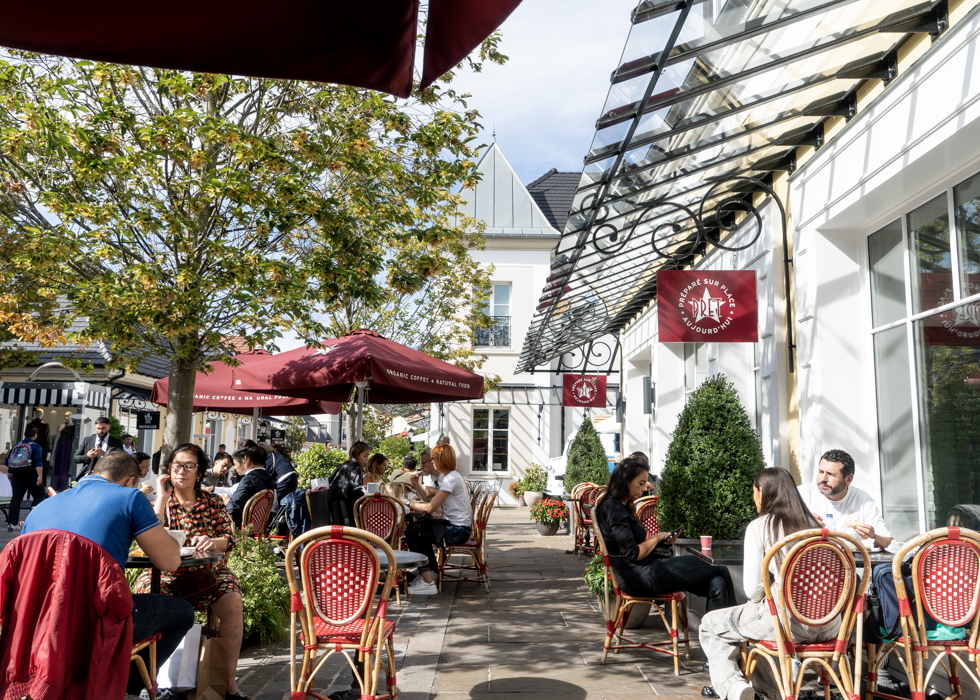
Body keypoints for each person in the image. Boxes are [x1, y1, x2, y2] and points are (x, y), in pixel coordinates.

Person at [21, 450, 194, 700]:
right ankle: (128, 689)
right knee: (182, 613)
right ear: (130, 481)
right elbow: (169, 561)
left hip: (37, 622)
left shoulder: (42, 507)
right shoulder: (129, 497)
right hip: (95, 622)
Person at [699, 467, 830, 700]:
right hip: (831, 624)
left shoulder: (761, 526)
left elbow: (752, 590)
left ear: (762, 492)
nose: (753, 497)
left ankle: (733, 687)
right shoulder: (816, 526)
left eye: (754, 491)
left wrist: (766, 590)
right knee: (755, 625)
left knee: (712, 624)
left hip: (789, 622)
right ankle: (771, 691)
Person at [137, 443, 248, 700]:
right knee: (148, 595)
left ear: (199, 473)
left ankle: (230, 685)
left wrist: (213, 541)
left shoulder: (212, 502)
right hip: (167, 574)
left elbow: (229, 539)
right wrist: (162, 500)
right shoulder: (159, 503)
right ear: (169, 471)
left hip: (209, 573)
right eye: (177, 466)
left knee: (232, 599)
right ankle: (153, 681)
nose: (182, 471)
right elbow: (147, 539)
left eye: (189, 466)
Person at [595, 457, 735, 610]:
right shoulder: (614, 508)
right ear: (625, 480)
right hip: (640, 577)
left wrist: (663, 542)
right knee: (718, 566)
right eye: (641, 483)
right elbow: (633, 553)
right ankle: (735, 623)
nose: (644, 488)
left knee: (717, 584)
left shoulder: (620, 506)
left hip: (646, 571)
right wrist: (657, 537)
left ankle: (716, 632)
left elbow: (632, 547)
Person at [403, 444, 472, 595]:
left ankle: (427, 581)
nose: (432, 462)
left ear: (442, 459)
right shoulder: (452, 476)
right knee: (418, 528)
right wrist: (416, 485)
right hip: (457, 526)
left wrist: (405, 502)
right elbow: (429, 500)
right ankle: (431, 571)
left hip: (458, 531)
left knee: (414, 533)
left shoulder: (450, 479)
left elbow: (429, 508)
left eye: (434, 459)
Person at [798, 449, 893, 550]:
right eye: (821, 472)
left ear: (848, 479)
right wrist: (803, 525)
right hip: (809, 561)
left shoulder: (863, 500)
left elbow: (889, 543)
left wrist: (873, 537)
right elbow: (782, 535)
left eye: (831, 474)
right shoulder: (802, 494)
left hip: (852, 563)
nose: (823, 479)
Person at [3, 424, 47, 531]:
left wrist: (11, 473)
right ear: (35, 435)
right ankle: (31, 520)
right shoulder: (36, 446)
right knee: (40, 495)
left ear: (24, 434)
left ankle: (12, 524)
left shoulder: (16, 446)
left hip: (17, 476)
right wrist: (40, 476)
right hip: (31, 475)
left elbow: (8, 461)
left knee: (16, 499)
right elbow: (38, 462)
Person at [226, 445, 275, 529]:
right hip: (261, 525)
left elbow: (234, 506)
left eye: (243, 460)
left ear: (247, 461)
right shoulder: (269, 478)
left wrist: (225, 501)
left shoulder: (249, 479)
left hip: (244, 525)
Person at [327, 441, 371, 525]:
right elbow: (357, 490)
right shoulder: (356, 468)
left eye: (367, 456)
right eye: (365, 456)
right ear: (356, 455)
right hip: (347, 512)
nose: (367, 459)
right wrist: (367, 500)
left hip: (334, 510)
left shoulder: (342, 465)